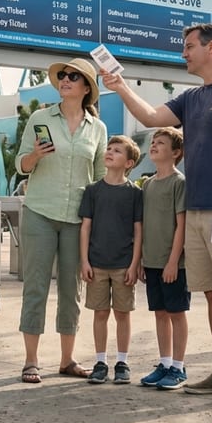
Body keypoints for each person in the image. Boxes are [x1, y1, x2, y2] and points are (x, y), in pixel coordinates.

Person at [103, 22, 212, 405]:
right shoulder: (191, 98)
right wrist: (120, 86)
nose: (183, 53)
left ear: (211, 48)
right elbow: (149, 117)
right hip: (196, 210)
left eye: (189, 46)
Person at [16, 57, 107, 384]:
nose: (65, 80)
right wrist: (35, 156)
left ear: (86, 88)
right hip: (40, 211)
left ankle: (67, 360)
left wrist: (98, 222)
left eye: (73, 77)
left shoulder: (98, 128)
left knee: (73, 291)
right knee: (36, 286)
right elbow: (20, 165)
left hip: (76, 220)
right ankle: (31, 361)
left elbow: (98, 179)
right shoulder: (40, 118)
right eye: (63, 76)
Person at [78, 135, 143, 385]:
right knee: (100, 313)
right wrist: (84, 261)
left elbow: (139, 230)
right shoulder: (93, 191)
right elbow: (85, 228)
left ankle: (122, 362)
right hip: (96, 263)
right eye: (109, 148)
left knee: (123, 313)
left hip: (124, 264)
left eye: (117, 151)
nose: (110, 152)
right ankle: (101, 361)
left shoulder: (135, 193)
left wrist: (134, 263)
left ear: (128, 163)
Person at [136, 128, 191, 390]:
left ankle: (179, 367)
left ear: (176, 152)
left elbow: (181, 225)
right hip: (152, 261)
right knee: (160, 313)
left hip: (173, 264)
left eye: (161, 143)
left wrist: (173, 261)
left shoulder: (179, 183)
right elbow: (145, 225)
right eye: (153, 142)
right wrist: (142, 261)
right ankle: (165, 363)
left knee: (176, 313)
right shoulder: (148, 183)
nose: (154, 146)